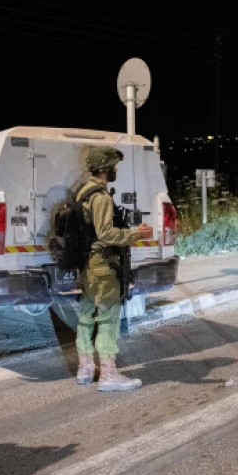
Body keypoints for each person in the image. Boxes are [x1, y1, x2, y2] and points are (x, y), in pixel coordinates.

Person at [75, 146, 152, 391]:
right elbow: (105, 233)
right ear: (104, 168)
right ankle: (108, 375)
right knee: (108, 317)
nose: (116, 169)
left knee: (86, 315)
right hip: (101, 264)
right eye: (113, 165)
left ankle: (85, 369)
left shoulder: (83, 192)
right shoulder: (101, 197)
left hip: (87, 265)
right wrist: (135, 234)